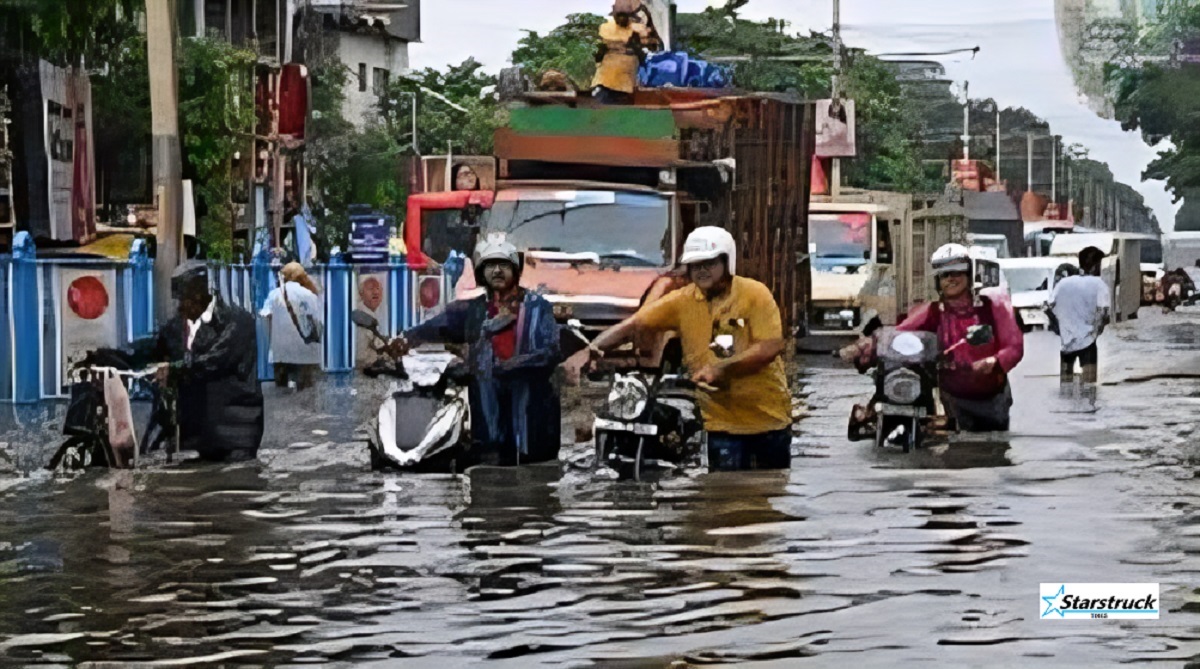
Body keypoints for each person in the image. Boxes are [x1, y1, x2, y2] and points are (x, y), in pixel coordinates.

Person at [587, 227, 793, 470]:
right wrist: (590, 349)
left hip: (769, 421)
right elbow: (634, 325)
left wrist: (721, 370)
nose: (702, 271)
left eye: (709, 264)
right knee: (723, 499)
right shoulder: (681, 301)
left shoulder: (755, 294)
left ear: (727, 263)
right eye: (696, 265)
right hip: (720, 424)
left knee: (770, 495)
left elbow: (769, 348)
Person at [386, 234, 562, 466]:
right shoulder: (473, 311)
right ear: (481, 273)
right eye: (490, 265)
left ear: (515, 270)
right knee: (487, 481)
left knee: (535, 477)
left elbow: (550, 353)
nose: (497, 271)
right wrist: (406, 339)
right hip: (488, 427)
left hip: (533, 421)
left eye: (503, 265)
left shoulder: (538, 308)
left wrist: (509, 366)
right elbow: (436, 327)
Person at [893, 244, 1024, 431]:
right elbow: (898, 334)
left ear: (969, 276)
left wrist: (994, 361)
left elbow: (1014, 346)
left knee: (994, 451)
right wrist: (866, 347)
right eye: (945, 275)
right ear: (938, 281)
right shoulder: (931, 311)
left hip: (992, 397)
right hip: (952, 394)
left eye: (957, 273)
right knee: (956, 451)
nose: (951, 279)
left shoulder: (993, 306)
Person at [152, 261, 264, 461]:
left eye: (183, 299)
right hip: (200, 435)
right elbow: (154, 350)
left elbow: (215, 361)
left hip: (236, 433)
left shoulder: (238, 322)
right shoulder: (176, 327)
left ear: (198, 295)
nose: (180, 307)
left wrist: (175, 370)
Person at [1048, 247, 1110, 384]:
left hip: (1067, 344)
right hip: (1088, 342)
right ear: (1094, 266)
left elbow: (1049, 307)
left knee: (1065, 385)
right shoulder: (1099, 285)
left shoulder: (1063, 284)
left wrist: (1060, 328)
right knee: (1090, 386)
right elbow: (1103, 313)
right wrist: (1095, 332)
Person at [261, 262, 324, 391]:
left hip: (281, 351)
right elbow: (319, 322)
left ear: (284, 276)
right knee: (306, 392)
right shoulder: (310, 295)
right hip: (306, 351)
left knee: (281, 394)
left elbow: (265, 316)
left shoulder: (275, 294)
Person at [591, 0, 654, 105]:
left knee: (617, 98)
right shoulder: (607, 27)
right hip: (609, 71)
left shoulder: (636, 29)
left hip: (624, 71)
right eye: (619, 16)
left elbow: (640, 47)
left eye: (623, 16)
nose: (621, 19)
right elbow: (601, 48)